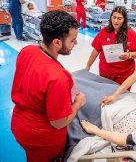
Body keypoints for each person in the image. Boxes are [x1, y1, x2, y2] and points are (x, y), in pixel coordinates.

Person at [11, 10, 86, 162]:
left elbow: (33, 76)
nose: (76, 43)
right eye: (73, 40)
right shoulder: (57, 77)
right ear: (57, 42)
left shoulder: (27, 51)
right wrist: (78, 104)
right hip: (42, 139)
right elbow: (58, 123)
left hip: (19, 125)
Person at [85, 6, 136, 88]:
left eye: (119, 18)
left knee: (121, 96)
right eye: (114, 17)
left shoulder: (131, 33)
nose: (115, 21)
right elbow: (95, 51)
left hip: (124, 74)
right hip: (106, 72)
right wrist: (88, 66)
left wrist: (129, 55)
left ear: (124, 20)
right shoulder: (104, 32)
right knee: (106, 93)